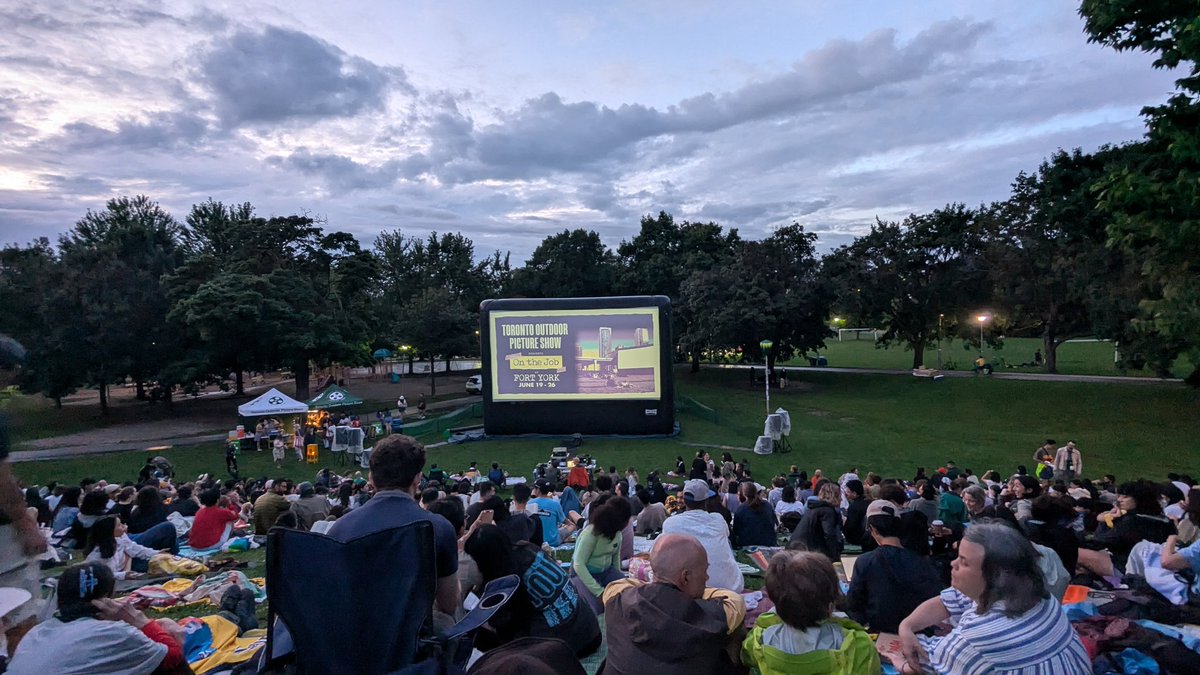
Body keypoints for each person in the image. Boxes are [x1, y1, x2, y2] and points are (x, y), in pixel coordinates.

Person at [894, 521, 1089, 675]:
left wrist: (899, 660)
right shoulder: (1040, 598)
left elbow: (924, 661)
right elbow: (947, 601)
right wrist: (907, 626)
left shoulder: (978, 636)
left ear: (996, 576)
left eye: (964, 562)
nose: (953, 564)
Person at [328, 434, 460, 616]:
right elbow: (448, 604)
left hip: (355, 629)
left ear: (371, 479)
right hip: (414, 631)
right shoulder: (438, 528)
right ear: (417, 480)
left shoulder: (339, 529)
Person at [602, 533, 746, 675]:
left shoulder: (620, 599)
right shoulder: (709, 615)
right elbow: (735, 600)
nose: (707, 577)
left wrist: (658, 583)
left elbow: (618, 585)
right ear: (685, 577)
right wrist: (691, 592)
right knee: (735, 632)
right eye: (705, 571)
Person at [7, 562, 187, 674]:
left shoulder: (38, 632)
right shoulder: (113, 632)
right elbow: (174, 657)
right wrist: (140, 621)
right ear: (108, 597)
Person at [464, 523, 600, 656]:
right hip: (589, 627)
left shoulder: (510, 580)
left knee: (484, 635)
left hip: (568, 645)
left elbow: (502, 625)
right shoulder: (529, 549)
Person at [742, 550, 879, 674]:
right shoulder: (859, 645)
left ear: (774, 602)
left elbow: (746, 656)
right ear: (831, 605)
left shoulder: (759, 640)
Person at [842, 501, 942, 634]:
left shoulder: (865, 561)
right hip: (916, 632)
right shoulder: (920, 561)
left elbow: (854, 604)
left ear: (872, 529)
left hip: (880, 633)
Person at [662, 479, 744, 592]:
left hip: (692, 588)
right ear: (706, 501)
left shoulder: (671, 523)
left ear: (684, 500)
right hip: (731, 586)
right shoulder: (718, 520)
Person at [571, 498, 628, 610]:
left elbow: (615, 559)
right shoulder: (590, 534)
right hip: (583, 574)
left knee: (626, 592)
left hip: (606, 572)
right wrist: (598, 592)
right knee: (596, 606)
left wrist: (618, 582)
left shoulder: (617, 534)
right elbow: (578, 564)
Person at [84, 516, 160, 580]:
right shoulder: (96, 556)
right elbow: (102, 575)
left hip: (129, 565)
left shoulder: (120, 537)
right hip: (119, 577)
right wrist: (124, 575)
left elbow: (134, 548)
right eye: (119, 525)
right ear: (111, 531)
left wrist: (157, 553)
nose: (124, 526)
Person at [789, 482, 842, 562]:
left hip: (797, 547)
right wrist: (835, 555)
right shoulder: (827, 511)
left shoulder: (815, 508)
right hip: (805, 550)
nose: (841, 499)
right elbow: (829, 534)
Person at [530, 479, 580, 547]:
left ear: (538, 490)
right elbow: (566, 522)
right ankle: (563, 538)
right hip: (553, 541)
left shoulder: (530, 503)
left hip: (535, 541)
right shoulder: (555, 504)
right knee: (572, 526)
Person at [732, 481, 779, 547]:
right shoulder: (767, 505)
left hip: (748, 544)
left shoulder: (741, 509)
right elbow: (774, 523)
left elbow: (736, 531)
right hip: (769, 542)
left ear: (744, 494)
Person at [842, 479, 869, 546]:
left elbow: (851, 526)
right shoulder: (868, 502)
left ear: (854, 493)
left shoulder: (854, 507)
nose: (846, 494)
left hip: (858, 540)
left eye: (848, 492)